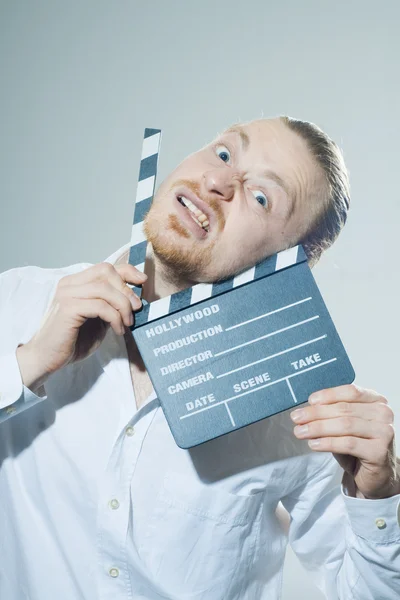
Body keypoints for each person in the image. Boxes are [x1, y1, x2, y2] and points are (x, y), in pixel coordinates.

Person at [0, 116, 399, 600]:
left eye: (261, 197)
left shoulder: (304, 412)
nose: (218, 181)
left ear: (289, 262)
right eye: (226, 153)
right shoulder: (18, 298)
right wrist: (25, 365)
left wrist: (380, 495)